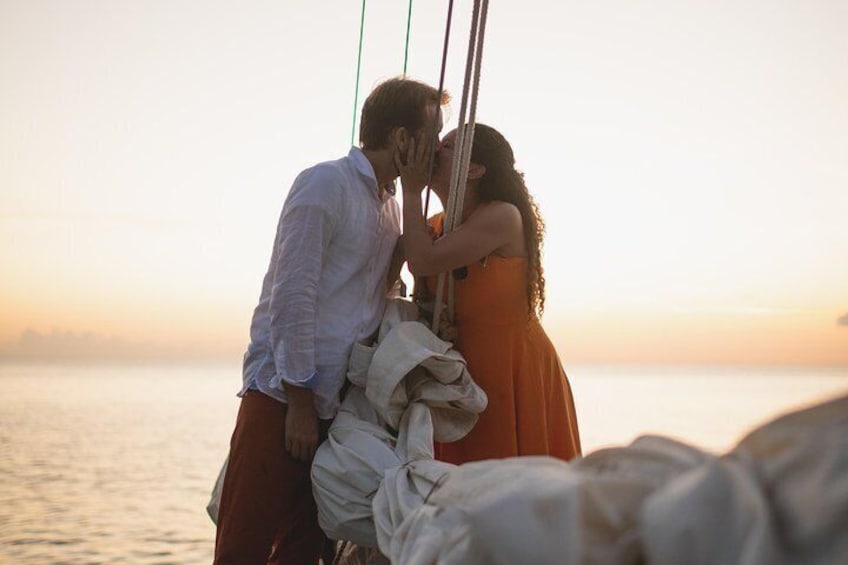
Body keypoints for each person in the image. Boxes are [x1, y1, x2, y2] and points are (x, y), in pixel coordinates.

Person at [214, 77, 447, 565]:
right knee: (244, 549)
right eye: (431, 135)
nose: (437, 150)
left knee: (303, 552)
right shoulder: (325, 183)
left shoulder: (390, 209)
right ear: (402, 138)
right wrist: (299, 398)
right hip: (282, 400)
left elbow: (372, 300)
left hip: (335, 410)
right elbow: (293, 295)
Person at [396, 123, 581, 464]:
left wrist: (409, 191)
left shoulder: (502, 216)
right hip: (459, 373)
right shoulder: (434, 225)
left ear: (476, 170)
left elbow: (422, 262)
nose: (436, 149)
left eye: (448, 146)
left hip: (512, 369)